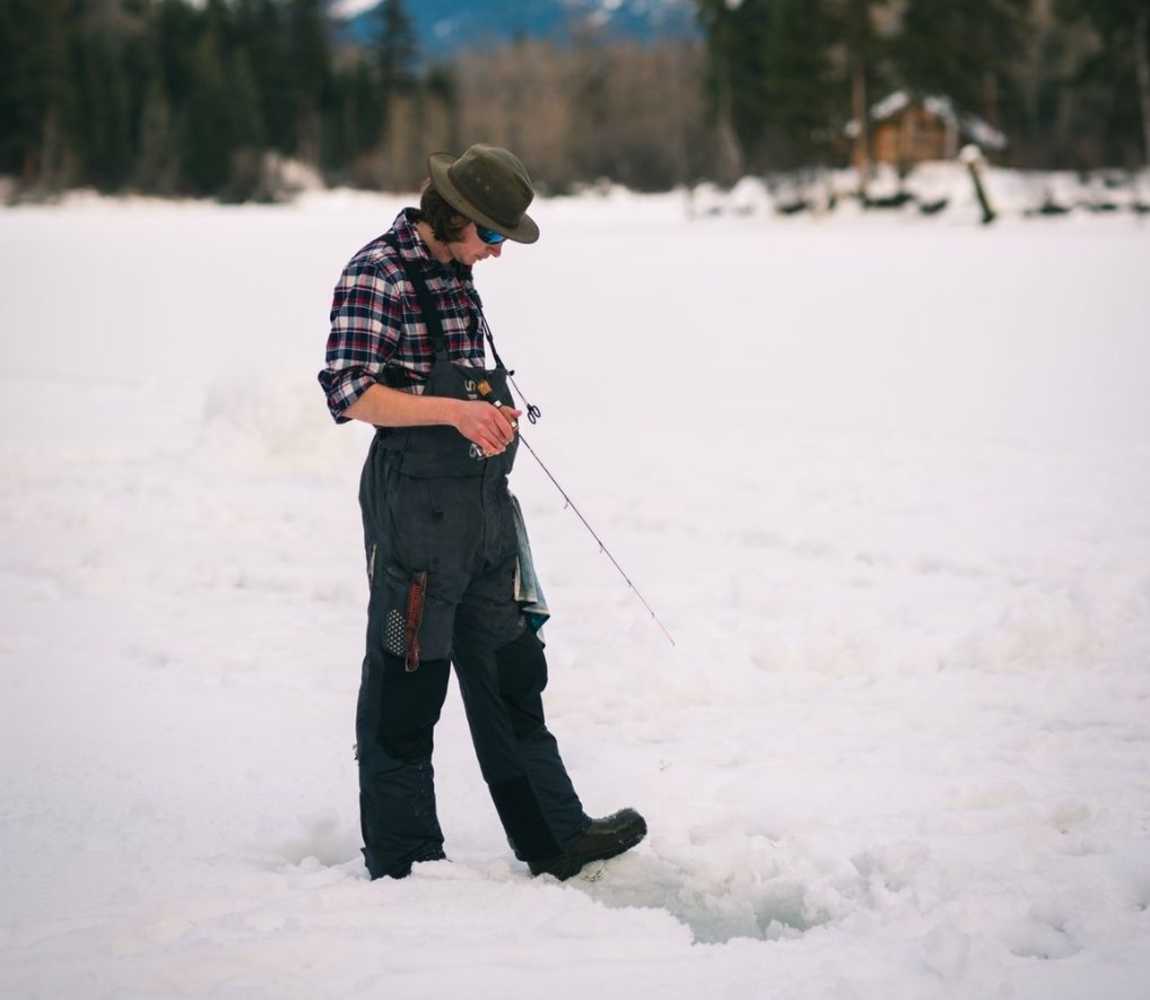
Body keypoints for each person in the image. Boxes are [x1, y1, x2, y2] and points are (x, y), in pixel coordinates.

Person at [318, 144, 646, 881]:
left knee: (512, 676)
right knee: (407, 692)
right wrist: (457, 415)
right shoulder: (378, 273)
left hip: (483, 519)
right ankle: (406, 865)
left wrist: (489, 416)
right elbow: (349, 392)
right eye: (492, 236)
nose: (497, 252)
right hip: (414, 519)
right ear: (455, 215)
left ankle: (554, 838)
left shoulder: (456, 273)